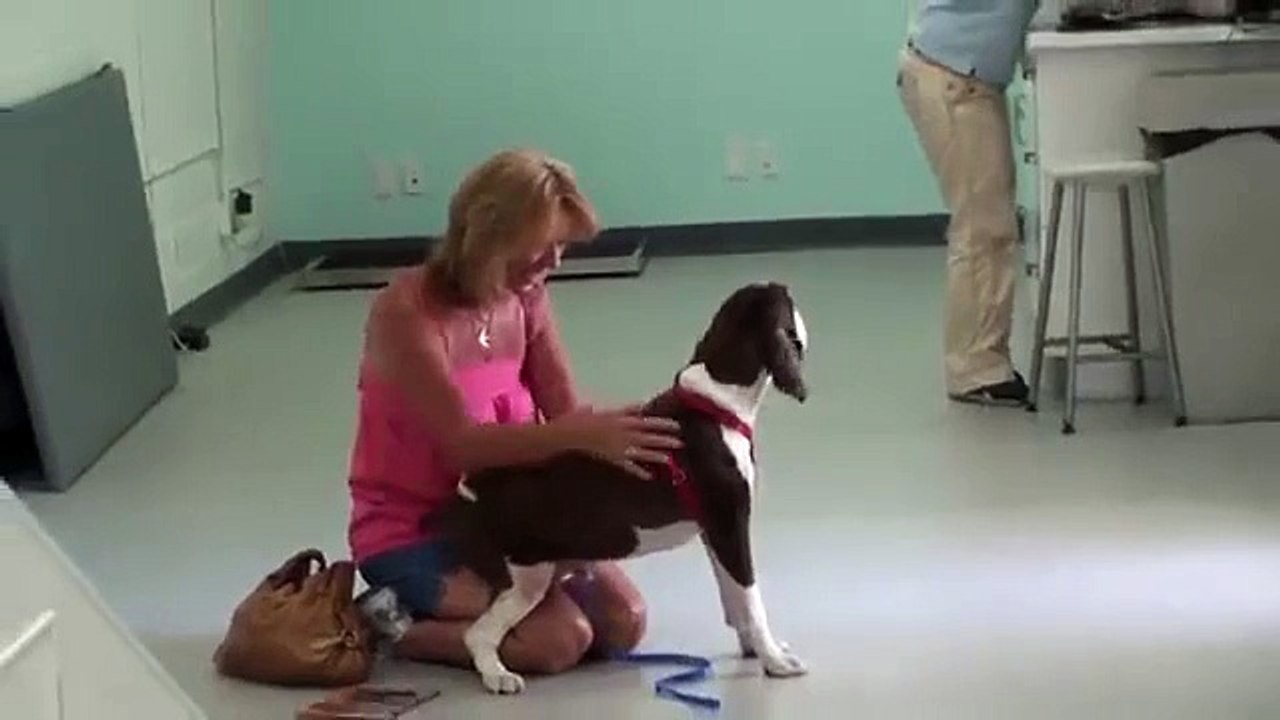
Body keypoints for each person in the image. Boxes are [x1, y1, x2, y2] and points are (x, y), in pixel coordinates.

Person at [346, 148, 684, 675]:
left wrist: (635, 444)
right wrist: (579, 435)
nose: (554, 263)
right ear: (488, 238)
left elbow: (568, 411)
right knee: (556, 641)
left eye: (562, 247)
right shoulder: (404, 311)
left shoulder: (525, 298)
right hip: (416, 528)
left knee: (625, 622)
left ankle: (482, 609)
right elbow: (463, 444)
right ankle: (383, 623)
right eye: (543, 247)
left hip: (508, 514)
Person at [897, 0, 1040, 407]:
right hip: (954, 79)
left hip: (956, 75)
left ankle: (978, 360)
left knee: (985, 224)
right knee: (982, 226)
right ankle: (975, 368)